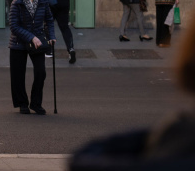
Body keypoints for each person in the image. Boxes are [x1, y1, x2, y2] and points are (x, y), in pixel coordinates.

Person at [69, 13, 195, 171]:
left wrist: (166, 130)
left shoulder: (180, 139)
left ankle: (129, 33)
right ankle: (131, 33)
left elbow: (84, 159)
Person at [9, 0, 55, 115]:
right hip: (19, 42)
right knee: (18, 75)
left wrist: (51, 36)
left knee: (41, 72)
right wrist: (31, 37)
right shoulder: (17, 2)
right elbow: (14, 26)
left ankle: (36, 103)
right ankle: (22, 103)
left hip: (38, 41)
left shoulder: (43, 0)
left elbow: (49, 19)